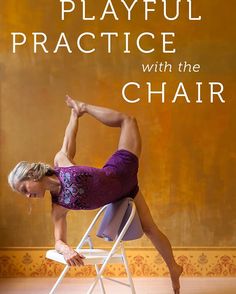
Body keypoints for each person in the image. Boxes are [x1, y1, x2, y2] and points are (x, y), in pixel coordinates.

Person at [8, 95, 183, 293]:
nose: (27, 197)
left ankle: (172, 268)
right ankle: (175, 268)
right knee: (150, 228)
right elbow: (58, 241)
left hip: (121, 168)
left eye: (24, 189)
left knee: (128, 120)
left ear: (32, 175)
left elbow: (69, 138)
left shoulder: (61, 162)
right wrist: (66, 250)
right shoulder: (58, 206)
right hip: (125, 193)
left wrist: (76, 113)